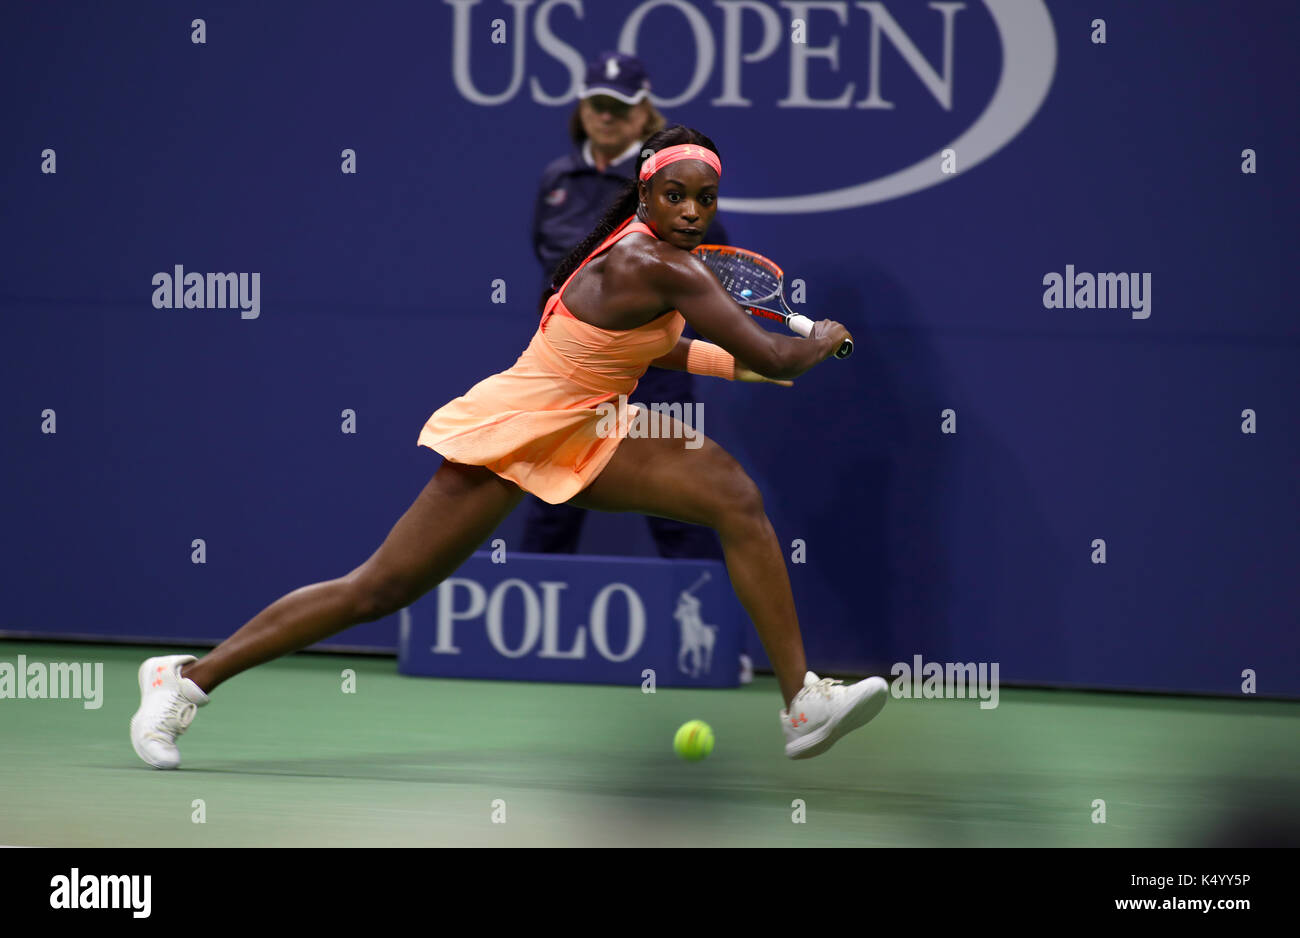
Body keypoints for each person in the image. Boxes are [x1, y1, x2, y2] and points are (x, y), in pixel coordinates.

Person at [129, 125, 889, 770]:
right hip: (516, 429)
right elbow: (780, 353)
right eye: (675, 196)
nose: (691, 211)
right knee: (378, 591)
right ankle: (185, 680)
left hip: (592, 429)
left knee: (734, 497)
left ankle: (801, 703)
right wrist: (812, 344)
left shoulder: (655, 261)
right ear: (645, 195)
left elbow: (653, 349)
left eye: (705, 199)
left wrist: (742, 365)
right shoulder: (652, 262)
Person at [526, 51, 725, 559]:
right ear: (582, 108)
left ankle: (705, 635)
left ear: (643, 112)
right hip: (571, 373)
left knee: (678, 502)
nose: (607, 116)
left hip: (652, 372)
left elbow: (704, 271)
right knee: (551, 498)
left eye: (620, 106)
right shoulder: (556, 180)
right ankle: (543, 635)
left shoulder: (669, 182)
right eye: (598, 104)